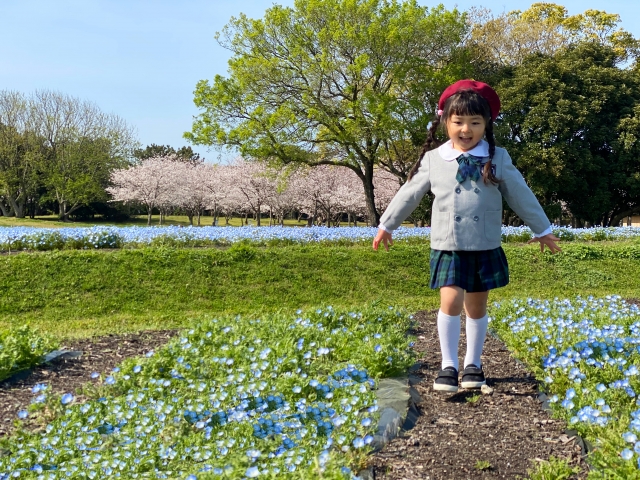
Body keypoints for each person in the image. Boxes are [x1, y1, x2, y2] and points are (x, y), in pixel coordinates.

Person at [372, 79, 561, 393]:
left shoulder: (497, 157)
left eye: (475, 122)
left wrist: (542, 229)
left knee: (476, 306)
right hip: (449, 243)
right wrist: (387, 224)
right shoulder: (434, 159)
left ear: (486, 125)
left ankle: (473, 364)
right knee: (450, 301)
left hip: (484, 243)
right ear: (445, 121)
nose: (466, 129)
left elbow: (520, 194)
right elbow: (410, 194)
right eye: (458, 121)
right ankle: (448, 365)